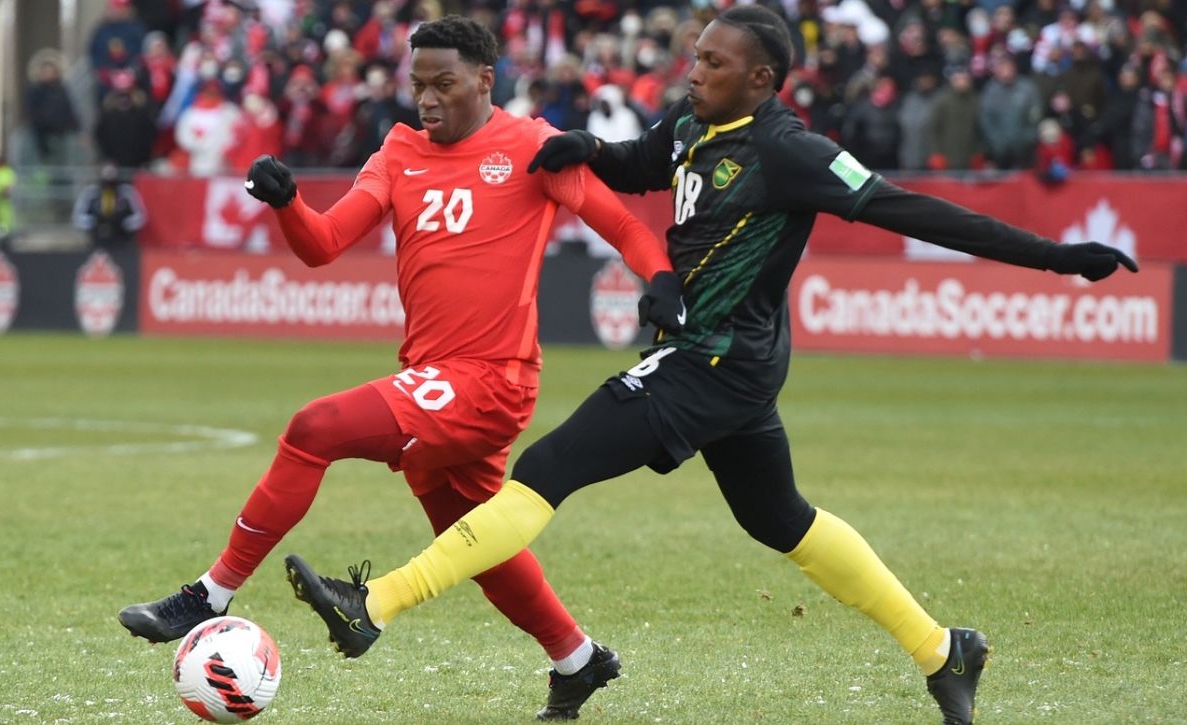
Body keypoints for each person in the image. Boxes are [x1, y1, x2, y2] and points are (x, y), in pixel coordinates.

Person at [281, 6, 1138, 724]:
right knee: (782, 521)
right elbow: (636, 167)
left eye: (715, 64)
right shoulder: (694, 126)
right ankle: (946, 649)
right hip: (726, 365)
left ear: (763, 80)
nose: (693, 73)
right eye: (694, 59)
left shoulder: (790, 150)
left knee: (547, 467)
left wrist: (1059, 258)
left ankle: (376, 604)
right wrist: (580, 145)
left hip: (717, 361)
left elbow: (912, 211)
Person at [118, 15, 680, 721]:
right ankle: (577, 658)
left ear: (485, 79)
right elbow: (324, 244)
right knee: (476, 536)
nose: (427, 99)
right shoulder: (399, 151)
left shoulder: (532, 144)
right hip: (437, 377)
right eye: (418, 84)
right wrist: (290, 203)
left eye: (443, 83)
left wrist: (659, 279)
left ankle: (211, 592)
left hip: (492, 378)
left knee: (313, 427)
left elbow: (625, 225)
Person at [72, 163, 148, 248]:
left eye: (111, 172)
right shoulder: (91, 193)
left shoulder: (127, 192)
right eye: (106, 173)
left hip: (122, 239)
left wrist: (125, 223)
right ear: (100, 173)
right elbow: (77, 217)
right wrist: (94, 221)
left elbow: (141, 216)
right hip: (97, 239)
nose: (109, 176)